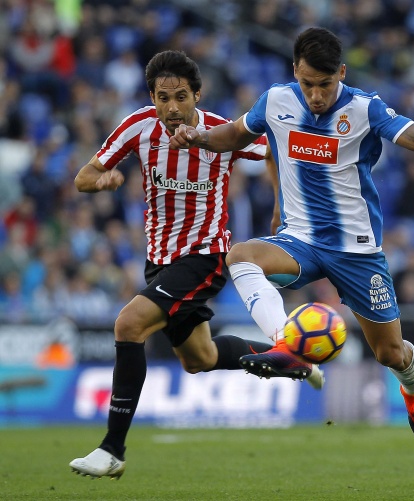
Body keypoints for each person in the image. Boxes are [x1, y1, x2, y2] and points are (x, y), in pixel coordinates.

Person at [170, 28, 414, 439]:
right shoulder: (276, 100)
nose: (316, 95)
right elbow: (234, 134)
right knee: (240, 255)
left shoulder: (366, 109)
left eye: (326, 84)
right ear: (294, 71)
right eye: (308, 84)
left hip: (357, 251)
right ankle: (286, 345)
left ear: (343, 72)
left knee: (389, 352)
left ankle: (413, 385)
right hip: (300, 239)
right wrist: (199, 138)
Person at [68, 50, 324, 480]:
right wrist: (104, 181)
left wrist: (281, 206)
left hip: (205, 255)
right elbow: (84, 176)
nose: (172, 108)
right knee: (200, 358)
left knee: (128, 325)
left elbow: (275, 151)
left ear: (197, 96)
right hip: (159, 261)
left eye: (181, 97)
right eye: (163, 97)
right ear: (152, 96)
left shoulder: (220, 133)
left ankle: (112, 450)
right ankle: (291, 358)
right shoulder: (137, 127)